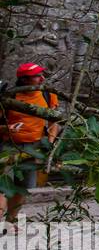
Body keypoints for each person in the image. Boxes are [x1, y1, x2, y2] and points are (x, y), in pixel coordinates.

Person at [2, 62, 59, 226]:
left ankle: (10, 222)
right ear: (25, 80)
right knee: (3, 185)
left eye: (42, 75)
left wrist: (49, 143)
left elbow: (55, 121)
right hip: (8, 147)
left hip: (34, 147)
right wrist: (7, 128)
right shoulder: (9, 96)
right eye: (37, 76)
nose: (42, 78)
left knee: (23, 187)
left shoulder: (48, 95)